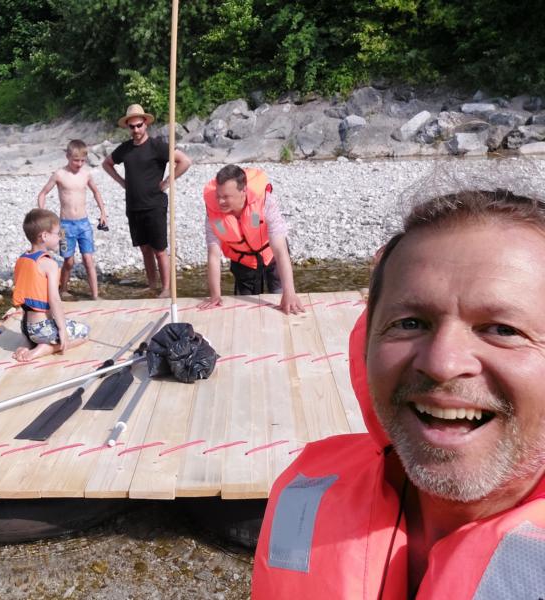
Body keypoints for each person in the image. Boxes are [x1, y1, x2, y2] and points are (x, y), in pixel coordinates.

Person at [252, 189, 545, 598]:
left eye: (502, 330)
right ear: (366, 345)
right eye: (410, 323)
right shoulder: (302, 497)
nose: (442, 363)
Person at [102, 103, 192, 298]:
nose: (136, 130)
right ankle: (152, 285)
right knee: (144, 249)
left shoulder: (157, 146)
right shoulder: (125, 149)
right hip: (133, 206)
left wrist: (168, 181)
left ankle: (167, 288)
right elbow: (106, 163)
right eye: (132, 126)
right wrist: (121, 181)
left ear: (146, 125)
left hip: (154, 204)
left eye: (139, 125)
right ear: (128, 127)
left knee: (159, 249)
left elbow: (185, 161)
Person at [198, 164, 304, 314]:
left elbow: (280, 250)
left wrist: (290, 292)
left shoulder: (265, 202)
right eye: (218, 196)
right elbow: (213, 254)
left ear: (243, 192)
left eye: (226, 197)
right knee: (244, 310)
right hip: (243, 261)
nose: (220, 202)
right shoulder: (213, 211)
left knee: (282, 298)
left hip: (271, 255)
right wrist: (215, 295)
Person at [12, 208, 90, 362]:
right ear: (44, 236)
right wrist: (62, 330)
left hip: (26, 328)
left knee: (47, 325)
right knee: (85, 333)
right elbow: (54, 300)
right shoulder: (49, 264)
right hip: (42, 330)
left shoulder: (22, 260)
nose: (61, 237)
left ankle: (27, 343)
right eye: (58, 233)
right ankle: (46, 348)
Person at [37, 139, 108, 299]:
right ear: (67, 156)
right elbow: (42, 193)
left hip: (84, 223)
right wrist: (42, 213)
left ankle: (95, 295)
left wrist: (103, 212)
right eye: (76, 160)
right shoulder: (59, 174)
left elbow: (96, 192)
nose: (79, 163)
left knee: (88, 259)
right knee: (68, 261)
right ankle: (63, 290)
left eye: (83, 160)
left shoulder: (86, 174)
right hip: (64, 226)